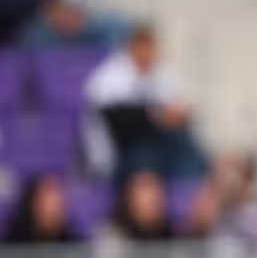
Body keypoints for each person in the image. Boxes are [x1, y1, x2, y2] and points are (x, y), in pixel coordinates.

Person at [83, 24, 208, 182]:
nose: (147, 53)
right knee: (146, 159)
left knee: (190, 151)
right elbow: (114, 118)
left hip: (159, 143)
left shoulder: (163, 72)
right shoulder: (109, 76)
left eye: (151, 48)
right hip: (121, 149)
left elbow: (181, 107)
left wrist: (177, 114)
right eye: (142, 47)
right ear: (130, 47)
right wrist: (155, 115)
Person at [1, 174, 77, 258]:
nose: (52, 211)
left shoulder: (73, 244)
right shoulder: (14, 244)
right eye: (46, 202)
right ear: (33, 203)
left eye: (58, 204)